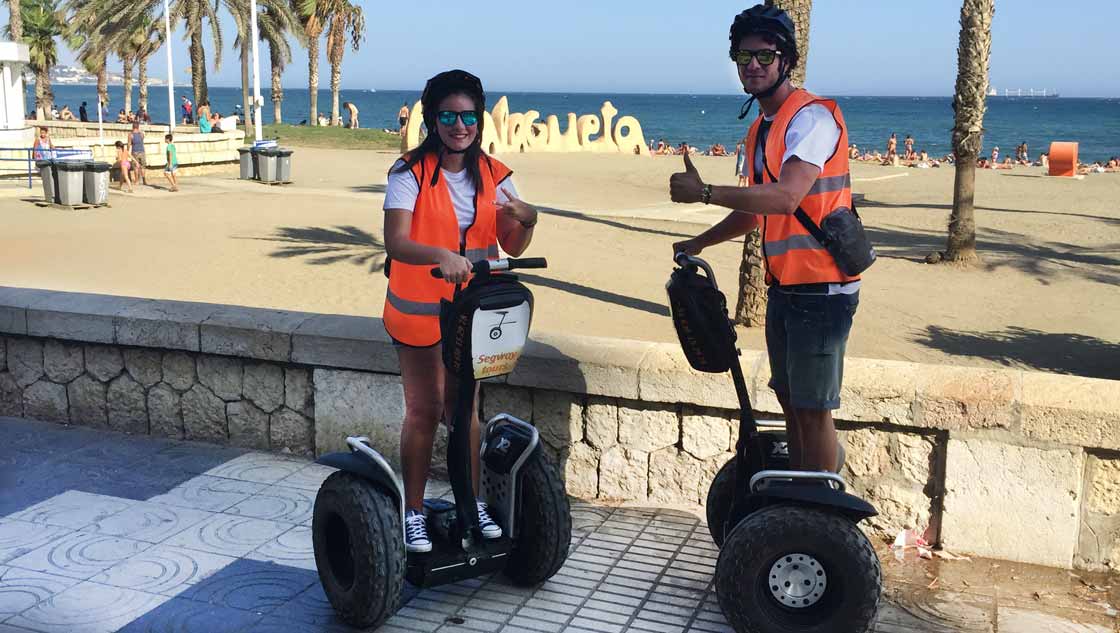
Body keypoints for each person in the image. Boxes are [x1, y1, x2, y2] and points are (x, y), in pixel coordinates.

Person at [670, 4, 859, 474]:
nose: (752, 66)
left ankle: (818, 515)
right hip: (785, 288)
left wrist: (706, 193)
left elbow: (787, 197)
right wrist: (701, 242)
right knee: (792, 403)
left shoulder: (812, 118)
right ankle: (800, 499)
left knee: (814, 411)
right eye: (743, 57)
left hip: (823, 287)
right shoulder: (760, 129)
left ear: (786, 60)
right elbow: (755, 213)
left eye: (764, 56)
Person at [382, 69, 540, 553]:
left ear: (479, 119)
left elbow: (511, 242)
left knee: (465, 411)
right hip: (418, 309)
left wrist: (528, 220)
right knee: (426, 410)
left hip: (472, 310)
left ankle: (470, 505)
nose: (459, 125)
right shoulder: (408, 173)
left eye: (468, 115)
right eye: (448, 115)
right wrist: (439, 257)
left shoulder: (495, 175)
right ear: (433, 119)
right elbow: (397, 241)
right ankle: (413, 511)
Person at [128, 122, 147, 186]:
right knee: (143, 167)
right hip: (142, 151)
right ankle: (144, 181)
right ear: (138, 127)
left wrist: (127, 150)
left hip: (135, 151)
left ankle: (136, 181)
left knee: (136, 167)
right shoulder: (141, 134)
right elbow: (142, 139)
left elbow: (129, 143)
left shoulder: (131, 134)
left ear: (132, 126)